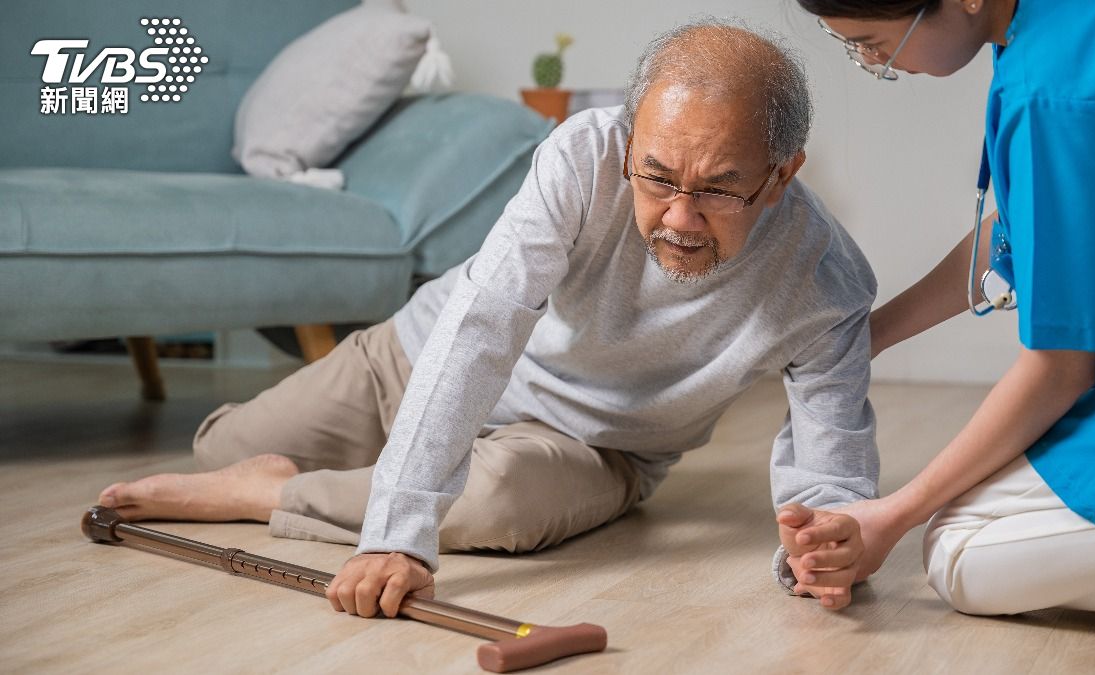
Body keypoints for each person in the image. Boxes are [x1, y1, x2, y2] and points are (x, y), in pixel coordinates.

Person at [99, 21, 881, 617]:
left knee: (500, 500)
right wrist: (397, 524)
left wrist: (822, 550)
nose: (679, 216)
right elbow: (480, 328)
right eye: (656, 176)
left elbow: (833, 476)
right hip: (419, 354)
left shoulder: (826, 282)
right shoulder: (583, 155)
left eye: (717, 189)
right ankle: (290, 475)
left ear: (781, 175)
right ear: (629, 139)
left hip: (592, 444)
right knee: (221, 445)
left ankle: (272, 495)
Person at [782, 0, 1095, 614]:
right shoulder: (1074, 26)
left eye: (872, 42)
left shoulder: (1048, 90)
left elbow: (1060, 368)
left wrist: (890, 517)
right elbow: (1028, 229)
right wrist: (866, 338)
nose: (872, 61)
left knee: (961, 549)